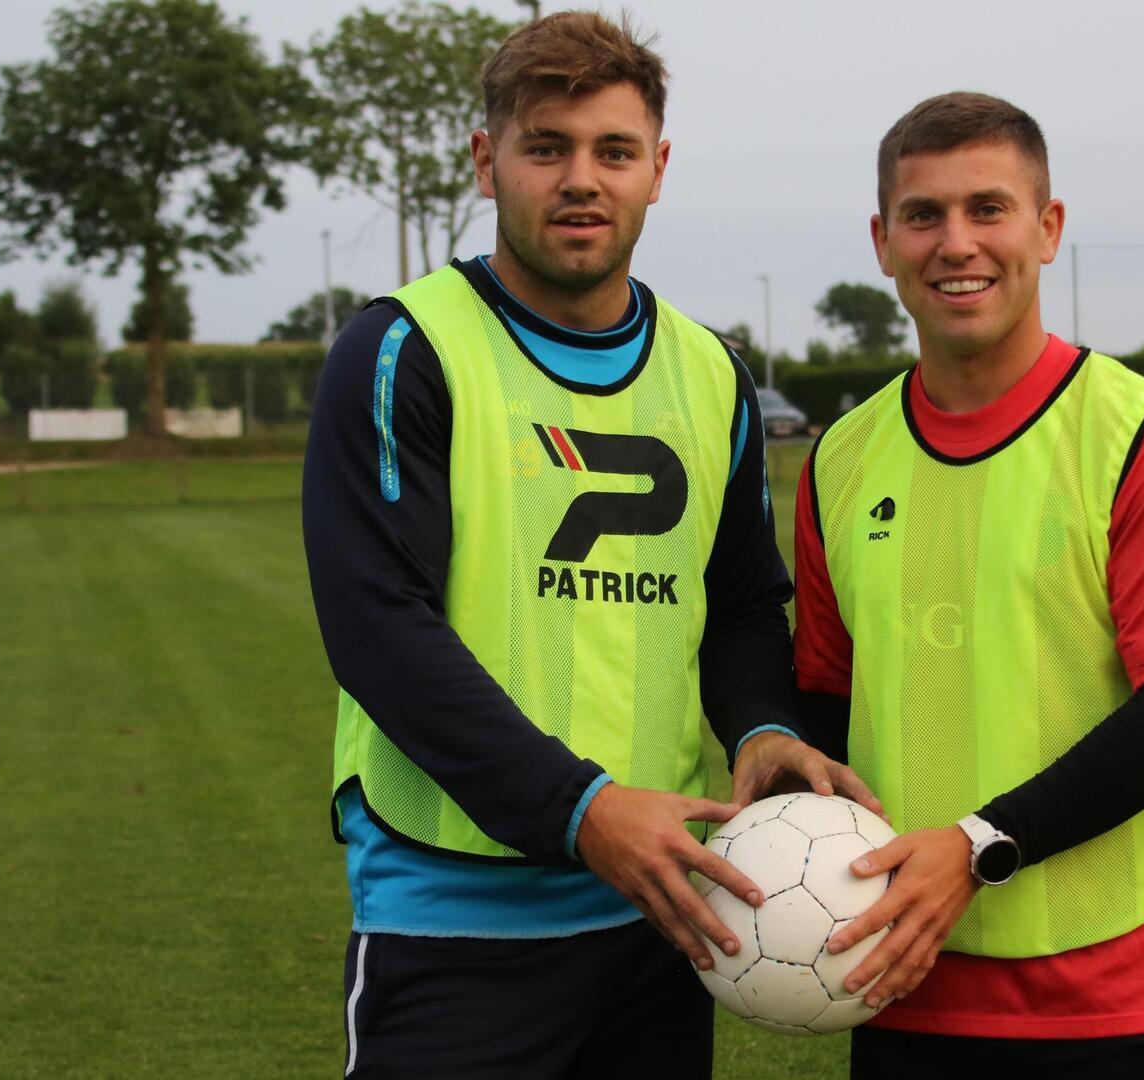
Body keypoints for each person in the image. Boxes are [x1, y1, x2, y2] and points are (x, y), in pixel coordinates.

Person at [302, 13, 873, 1079]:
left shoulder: (710, 371)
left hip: (657, 912)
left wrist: (760, 727)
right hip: (454, 916)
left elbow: (742, 604)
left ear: (657, 169)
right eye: (546, 148)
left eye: (614, 151)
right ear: (487, 162)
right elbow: (378, 626)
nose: (581, 180)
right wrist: (582, 810)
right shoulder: (404, 348)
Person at [793, 91, 1144, 1079]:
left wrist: (978, 846)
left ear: (1047, 229)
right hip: (903, 985)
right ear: (883, 242)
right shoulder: (842, 457)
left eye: (988, 209)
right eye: (924, 215)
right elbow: (827, 705)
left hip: (1121, 999)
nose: (956, 243)